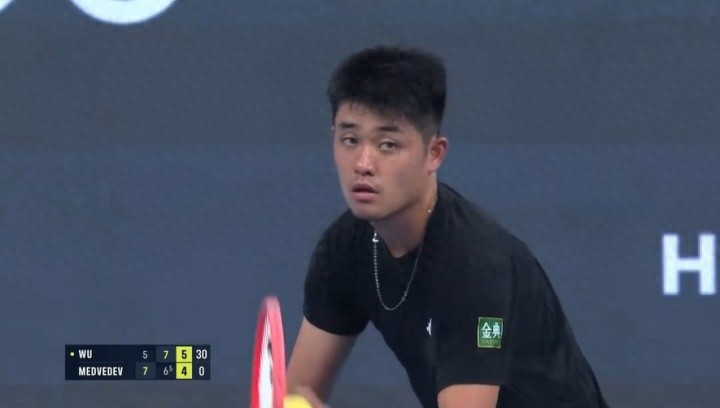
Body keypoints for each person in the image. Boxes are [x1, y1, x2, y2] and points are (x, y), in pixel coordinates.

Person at [286, 45, 609, 408]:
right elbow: (297, 393)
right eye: (350, 140)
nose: (363, 163)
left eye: (387, 145)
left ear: (434, 154)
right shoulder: (344, 247)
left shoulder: (476, 264)